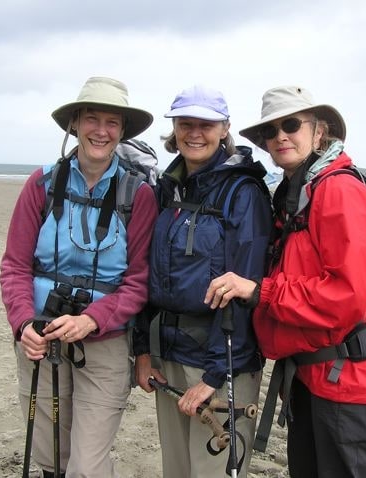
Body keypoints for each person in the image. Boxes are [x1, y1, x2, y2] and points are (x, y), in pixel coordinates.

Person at [205, 85, 366, 478]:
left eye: (291, 124)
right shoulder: (298, 194)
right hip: (313, 377)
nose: (280, 136)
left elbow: (345, 295)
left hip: (349, 382)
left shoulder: (339, 190)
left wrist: (260, 291)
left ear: (319, 131)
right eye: (270, 131)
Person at [0, 77, 158, 478]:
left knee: (86, 466)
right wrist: (22, 323)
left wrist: (92, 318)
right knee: (51, 456)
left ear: (122, 131)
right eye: (91, 118)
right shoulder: (42, 182)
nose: (101, 131)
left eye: (111, 122)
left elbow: (138, 281)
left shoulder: (138, 194)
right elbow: (15, 265)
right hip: (41, 335)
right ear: (74, 123)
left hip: (103, 344)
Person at [133, 85, 273, 478]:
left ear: (225, 129)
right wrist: (143, 351)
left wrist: (215, 377)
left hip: (221, 364)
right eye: (185, 123)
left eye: (206, 124)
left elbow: (248, 290)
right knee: (176, 470)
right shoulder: (168, 188)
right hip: (169, 358)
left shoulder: (244, 193)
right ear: (174, 130)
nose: (195, 133)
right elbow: (147, 275)